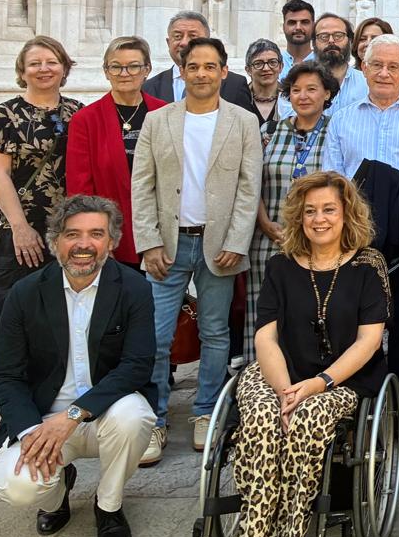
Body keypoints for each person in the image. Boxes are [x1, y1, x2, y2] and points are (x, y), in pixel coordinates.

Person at [206, 172, 392, 537]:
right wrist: (284, 389)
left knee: (307, 421)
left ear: (347, 214)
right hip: (279, 371)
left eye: (328, 209)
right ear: (298, 216)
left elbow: (369, 341)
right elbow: (265, 336)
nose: (319, 219)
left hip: (343, 378)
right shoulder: (280, 265)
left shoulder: (367, 265)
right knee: (260, 420)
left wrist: (317, 384)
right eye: (310, 211)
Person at [0, 195, 157, 537]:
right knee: (15, 487)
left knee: (136, 416)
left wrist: (73, 416)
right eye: (72, 234)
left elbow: (136, 366)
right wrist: (33, 432)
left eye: (96, 234)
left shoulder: (134, 288)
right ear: (55, 242)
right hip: (43, 418)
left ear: (111, 242)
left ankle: (108, 507)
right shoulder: (24, 293)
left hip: (103, 414)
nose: (83, 245)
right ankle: (56, 497)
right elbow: (4, 374)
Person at [131, 36, 263, 464]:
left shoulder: (242, 122)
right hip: (168, 245)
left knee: (215, 332)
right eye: (194, 66)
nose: (202, 74)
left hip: (219, 245)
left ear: (224, 72)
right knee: (156, 334)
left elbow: (248, 187)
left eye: (211, 66)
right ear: (182, 71)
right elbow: (142, 185)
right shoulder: (159, 120)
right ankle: (154, 418)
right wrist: (147, 240)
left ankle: (206, 412)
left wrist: (236, 241)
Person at [321, 33, 399, 451]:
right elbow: (333, 176)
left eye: (394, 66)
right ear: (364, 67)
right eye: (378, 64)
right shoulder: (342, 117)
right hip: (353, 237)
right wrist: (350, 227)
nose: (385, 73)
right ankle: (357, 415)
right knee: (354, 326)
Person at [0, 36, 85, 329]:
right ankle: (8, 375)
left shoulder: (79, 112)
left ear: (64, 68)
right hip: (21, 231)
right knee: (14, 314)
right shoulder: (5, 115)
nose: (44, 69)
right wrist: (21, 229)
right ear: (22, 71)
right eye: (35, 63)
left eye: (52, 62)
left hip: (69, 230)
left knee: (61, 316)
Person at [252, 62, 339, 337]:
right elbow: (253, 181)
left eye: (312, 89)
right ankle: (261, 374)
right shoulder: (269, 131)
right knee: (265, 311)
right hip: (269, 237)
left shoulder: (337, 131)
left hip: (318, 238)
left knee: (309, 310)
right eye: (296, 90)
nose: (303, 96)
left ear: (326, 94)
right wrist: (264, 222)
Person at [66, 37, 165, 270]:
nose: (124, 73)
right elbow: (80, 187)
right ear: (106, 71)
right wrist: (95, 238)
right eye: (116, 66)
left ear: (147, 70)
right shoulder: (86, 119)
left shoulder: (164, 112)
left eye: (133, 66)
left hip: (161, 233)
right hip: (112, 235)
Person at [142, 11, 254, 111]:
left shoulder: (235, 84)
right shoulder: (149, 87)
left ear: (208, 41)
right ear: (168, 42)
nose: (184, 43)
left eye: (192, 36)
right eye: (178, 36)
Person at [314, 13, 369, 112]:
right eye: (323, 36)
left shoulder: (367, 82)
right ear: (313, 42)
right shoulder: (299, 83)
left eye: (338, 36)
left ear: (350, 41)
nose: (331, 41)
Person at [244, 39, 290, 138]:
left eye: (272, 62)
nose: (266, 68)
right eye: (258, 63)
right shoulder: (239, 99)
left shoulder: (291, 99)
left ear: (281, 67)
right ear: (248, 70)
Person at [280, 0, 315, 72]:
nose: (298, 27)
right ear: (283, 27)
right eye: (292, 22)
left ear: (313, 26)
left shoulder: (324, 63)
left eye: (304, 22)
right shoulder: (274, 64)